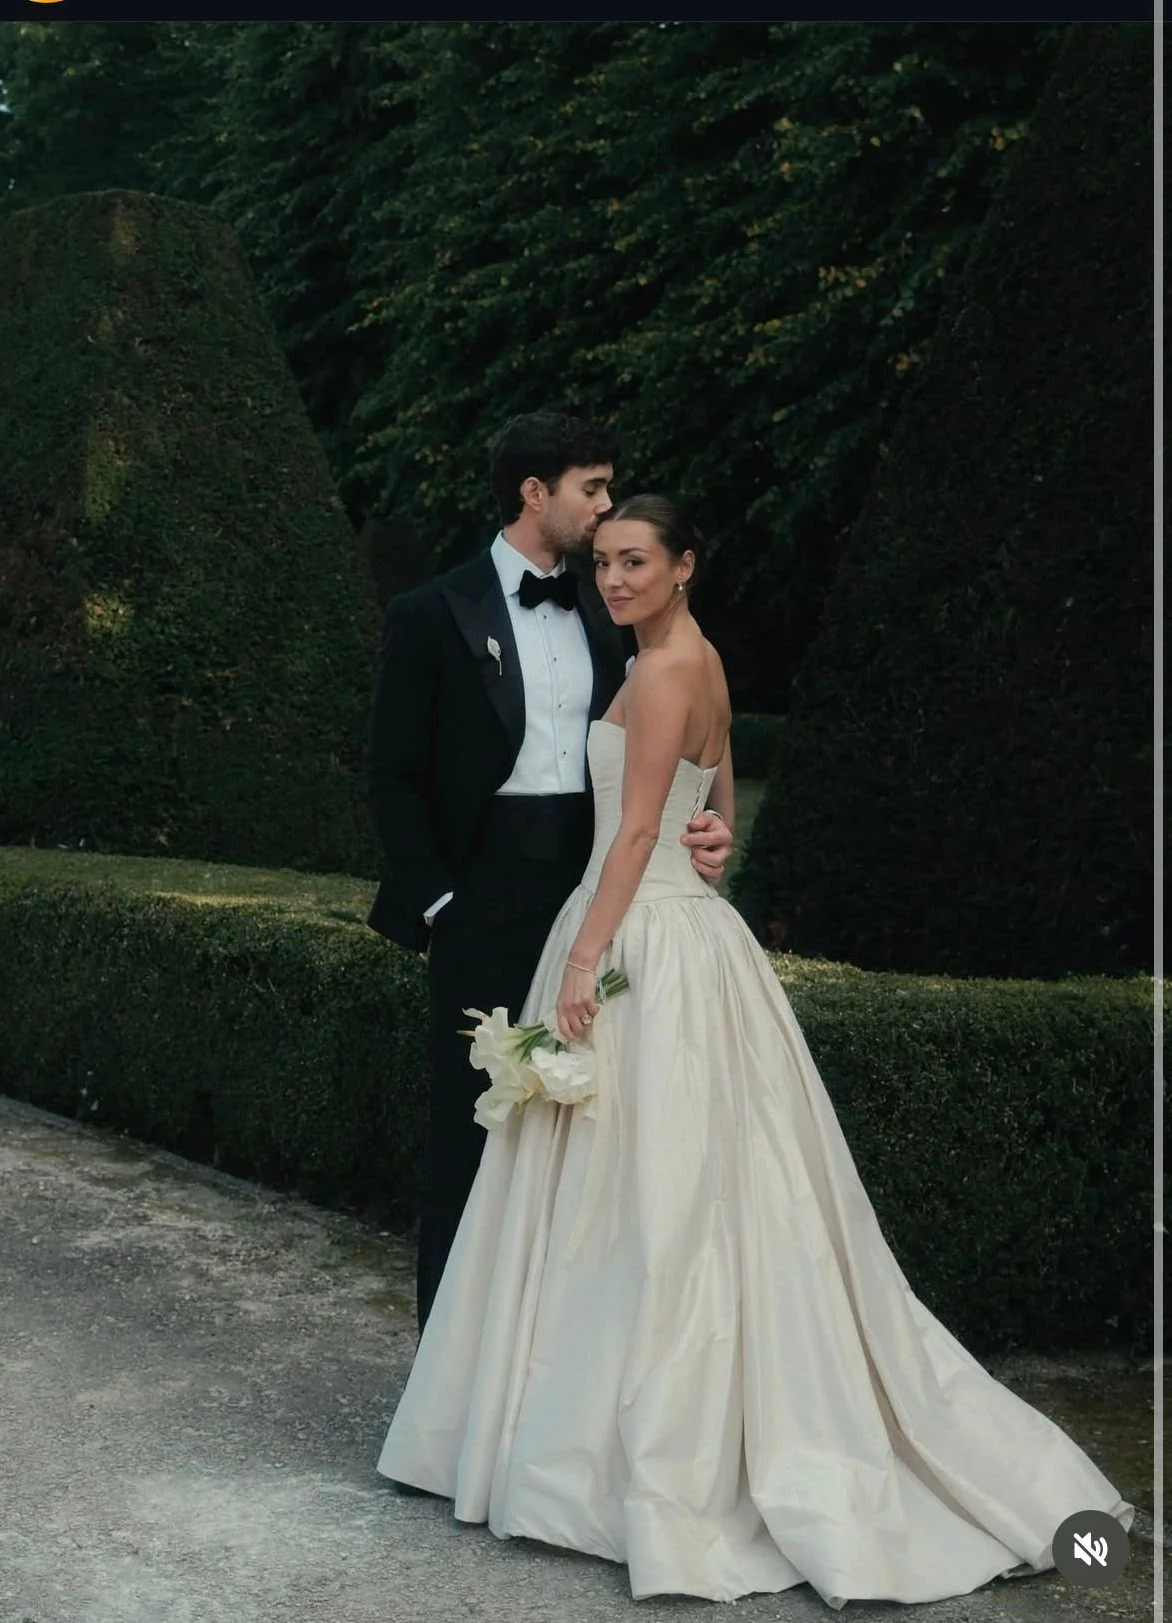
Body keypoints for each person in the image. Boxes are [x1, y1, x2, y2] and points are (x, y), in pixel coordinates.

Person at [377, 494, 1133, 1607]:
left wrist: (584, 959)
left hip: (638, 940)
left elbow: (637, 830)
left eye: (636, 562)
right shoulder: (697, 657)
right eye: (604, 564)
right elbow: (714, 815)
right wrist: (714, 839)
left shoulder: (668, 669)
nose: (614, 581)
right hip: (680, 931)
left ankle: (632, 1448)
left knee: (655, 1203)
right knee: (665, 1194)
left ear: (685, 566)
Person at [365, 419, 734, 1334]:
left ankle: (552, 1367)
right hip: (481, 900)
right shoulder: (431, 612)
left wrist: (709, 832)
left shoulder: (616, 615)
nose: (605, 506)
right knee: (472, 1125)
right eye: (591, 487)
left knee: (591, 1139)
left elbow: (672, 759)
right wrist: (442, 901)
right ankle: (448, 1385)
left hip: (596, 895)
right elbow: (391, 773)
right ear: (536, 493)